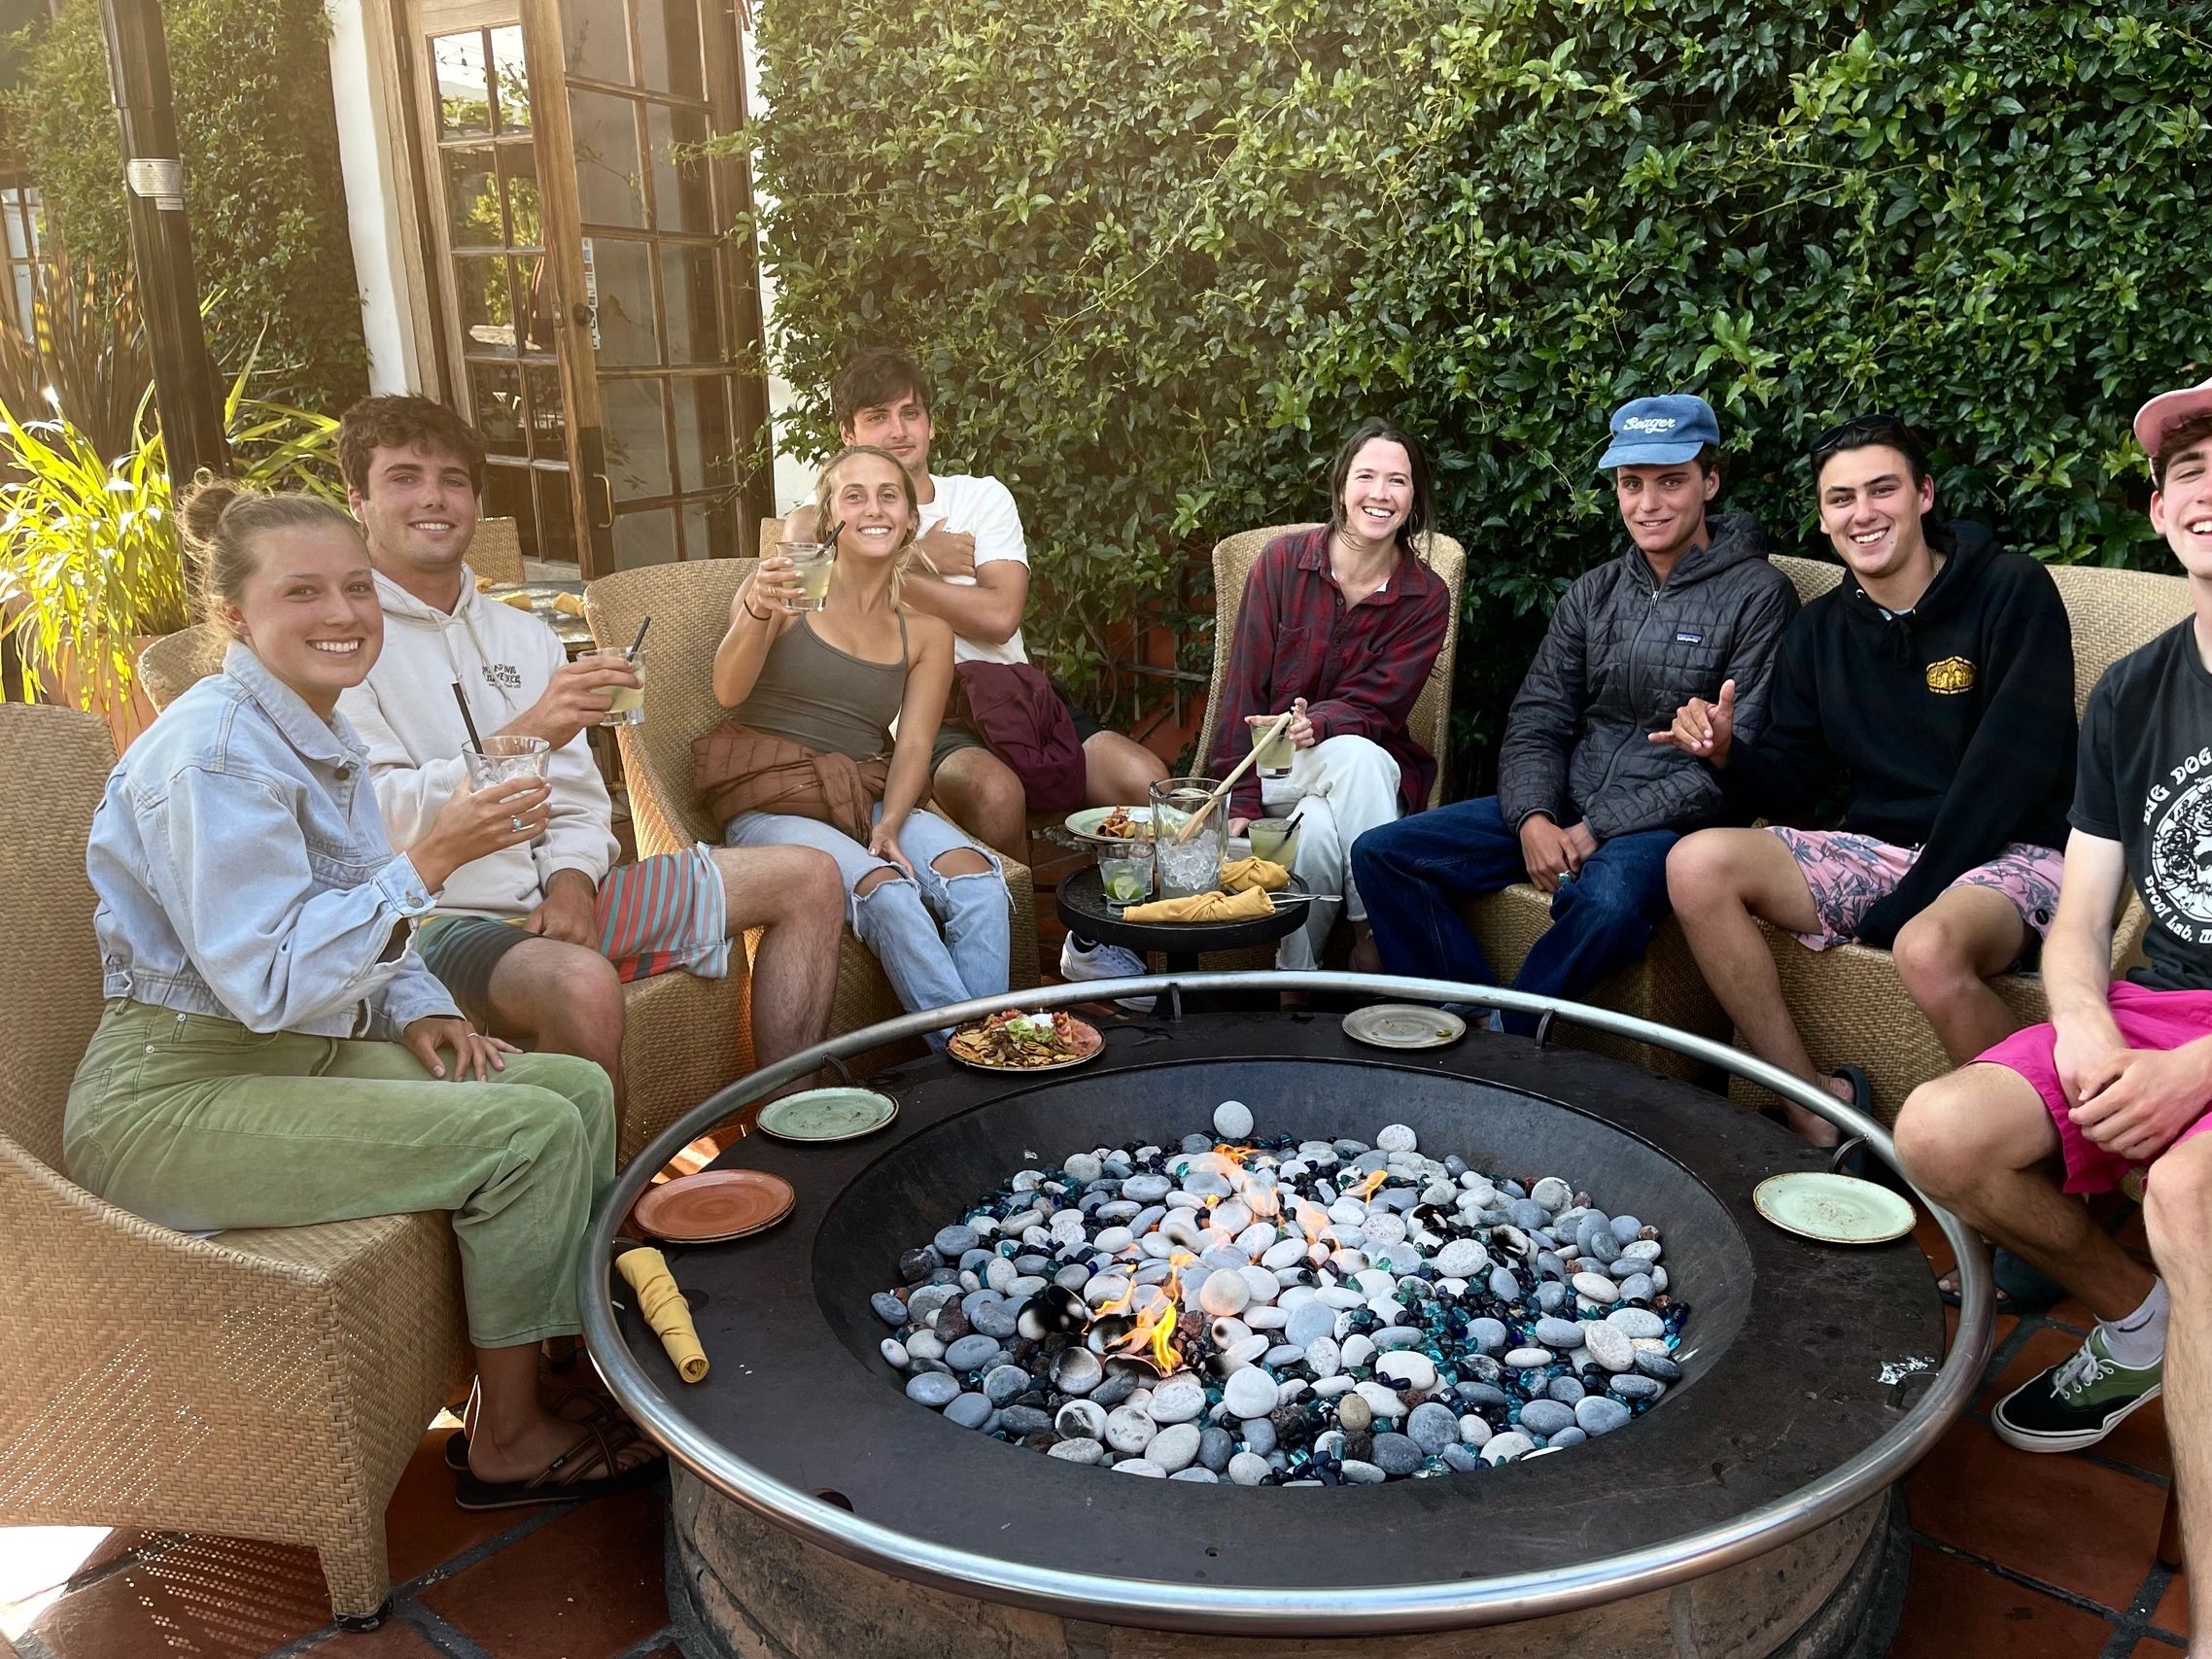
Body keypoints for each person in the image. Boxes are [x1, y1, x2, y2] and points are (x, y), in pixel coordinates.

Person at [67, 478, 656, 1509]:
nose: (341, 614)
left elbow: (351, 924)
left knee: (571, 1089)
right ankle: (510, 1438)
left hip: (285, 1051)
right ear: (234, 615)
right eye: (303, 593)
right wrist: (426, 862)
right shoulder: (211, 755)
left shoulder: (305, 726)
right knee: (529, 1132)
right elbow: (266, 981)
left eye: (355, 588)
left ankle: (553, 1351)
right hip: (167, 1103)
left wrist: (420, 1000)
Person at [1888, 385, 2212, 1616]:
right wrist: (2081, 1018)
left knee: (2183, 1189)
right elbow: (2078, 920)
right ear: (2155, 511)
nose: (2202, 489)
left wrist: (2195, 1072)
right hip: (2155, 1005)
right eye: (2184, 471)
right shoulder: (2131, 693)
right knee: (1935, 1133)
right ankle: (2140, 1326)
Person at [330, 396, 843, 1120]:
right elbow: (378, 820)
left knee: (810, 876)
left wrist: (573, 880)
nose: (434, 498)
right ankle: (602, 1216)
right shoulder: (345, 644)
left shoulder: (522, 636)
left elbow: (576, 798)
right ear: (358, 499)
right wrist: (529, 731)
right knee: (578, 981)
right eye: (404, 478)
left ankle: (794, 1121)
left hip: (563, 903)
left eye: (452, 479)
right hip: (437, 923)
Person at [1656, 414, 2076, 1145]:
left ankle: (2055, 1163)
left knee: (1927, 945)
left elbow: (2013, 770)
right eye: (1842, 498)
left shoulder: (2011, 590)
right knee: (1695, 865)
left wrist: (1916, 899)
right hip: (1883, 851)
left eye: (1882, 489)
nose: (1863, 513)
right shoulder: (1819, 631)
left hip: (2013, 848)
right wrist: (1730, 755)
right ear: (1823, 519)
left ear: (1924, 494)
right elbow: (1793, 780)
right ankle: (1815, 1108)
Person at [1352, 395, 1795, 1024]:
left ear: (1710, 480)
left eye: (1671, 482)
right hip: (1566, 801)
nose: (1649, 503)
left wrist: (1597, 829)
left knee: (1609, 901)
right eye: (1631, 484)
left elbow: (1731, 759)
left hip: (1670, 829)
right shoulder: (1594, 592)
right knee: (1383, 853)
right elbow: (1538, 717)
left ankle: (1510, 1031)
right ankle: (1469, 1012)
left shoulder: (1760, 595)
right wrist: (1534, 816)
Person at [786, 348, 1167, 985]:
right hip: (929, 711)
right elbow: (800, 569)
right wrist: (913, 553)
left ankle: (1106, 947)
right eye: (877, 417)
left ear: (932, 424)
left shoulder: (980, 499)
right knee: (994, 792)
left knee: (1147, 781)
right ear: (847, 435)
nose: (900, 429)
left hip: (1017, 696)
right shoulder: (842, 506)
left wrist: (893, 567)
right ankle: (1022, 983)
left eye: (912, 412)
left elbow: (998, 616)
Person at [709, 444, 1011, 1033]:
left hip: (865, 794)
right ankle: (981, 1058)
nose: (873, 509)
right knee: (890, 893)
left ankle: (973, 1068)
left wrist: (893, 822)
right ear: (830, 520)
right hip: (774, 801)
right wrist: (755, 608)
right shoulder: (791, 590)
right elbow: (727, 690)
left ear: (909, 520)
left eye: (888, 495)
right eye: (855, 495)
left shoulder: (926, 632)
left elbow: (917, 746)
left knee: (978, 882)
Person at [1204, 417, 1452, 974]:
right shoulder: (1281, 564)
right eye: (1367, 476)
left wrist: (1322, 721)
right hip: (1270, 769)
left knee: (1317, 826)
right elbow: (1240, 686)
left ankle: (1295, 980)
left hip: (1359, 773)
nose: (1380, 495)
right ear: (1342, 482)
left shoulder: (1426, 597)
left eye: (1398, 481)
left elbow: (1381, 705)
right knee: (1361, 763)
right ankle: (1376, 932)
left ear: (1414, 498)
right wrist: (1240, 800)